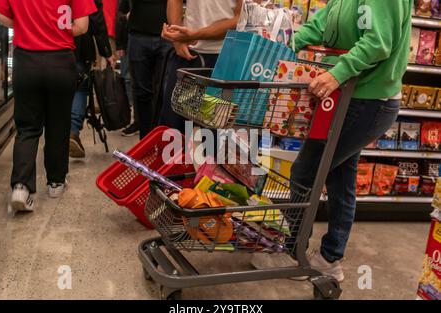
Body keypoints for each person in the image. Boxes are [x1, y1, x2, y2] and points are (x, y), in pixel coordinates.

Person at [253, 0, 413, 282]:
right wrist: (283, 46)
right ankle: (330, 257)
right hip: (351, 96)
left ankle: (294, 255)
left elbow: (379, 42)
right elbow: (319, 24)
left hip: (369, 100)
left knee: (305, 171)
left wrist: (337, 73)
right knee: (341, 176)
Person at [0, 0, 96, 213]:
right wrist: (57, 30)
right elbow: (83, 26)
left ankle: (21, 187)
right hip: (60, 60)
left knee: (27, 127)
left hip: (26, 61)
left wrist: (25, 26)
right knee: (58, 124)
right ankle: (56, 182)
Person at [160, 0, 243, 134]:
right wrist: (177, 37)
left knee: (215, 137)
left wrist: (192, 35)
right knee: (172, 133)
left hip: (225, 57)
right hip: (188, 55)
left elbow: (241, 18)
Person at [118, 0, 172, 139]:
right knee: (142, 92)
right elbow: (122, 9)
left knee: (165, 93)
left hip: (167, 36)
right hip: (138, 35)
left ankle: (161, 138)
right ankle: (146, 140)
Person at [69, 0, 115, 159]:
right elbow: (96, 20)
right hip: (80, 46)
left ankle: (54, 134)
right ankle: (72, 133)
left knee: (54, 89)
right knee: (79, 88)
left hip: (49, 45)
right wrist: (106, 52)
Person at [115, 0, 135, 137]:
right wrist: (120, 45)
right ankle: (132, 116)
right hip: (128, 40)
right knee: (127, 78)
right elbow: (120, 16)